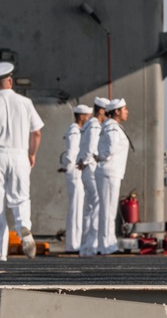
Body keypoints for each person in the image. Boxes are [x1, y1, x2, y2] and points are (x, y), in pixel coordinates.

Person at [0, 61, 44, 262]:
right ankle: (23, 227)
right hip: (20, 154)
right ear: (10, 81)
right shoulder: (25, 103)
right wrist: (31, 153)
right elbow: (36, 132)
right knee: (21, 198)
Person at [95, 97, 130, 255]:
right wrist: (101, 157)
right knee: (108, 210)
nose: (127, 112)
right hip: (110, 172)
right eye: (124, 109)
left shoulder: (110, 126)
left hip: (109, 172)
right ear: (117, 111)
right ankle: (107, 245)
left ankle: (106, 244)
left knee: (107, 210)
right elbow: (110, 150)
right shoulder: (113, 128)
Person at [75, 96, 108, 257]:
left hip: (86, 169)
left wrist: (81, 161)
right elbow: (91, 147)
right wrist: (86, 160)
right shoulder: (95, 126)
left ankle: (85, 247)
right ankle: (92, 245)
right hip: (92, 168)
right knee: (96, 208)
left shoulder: (88, 124)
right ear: (101, 111)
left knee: (89, 209)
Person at [59, 103, 92, 253]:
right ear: (81, 116)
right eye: (87, 116)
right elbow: (72, 152)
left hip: (74, 170)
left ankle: (74, 243)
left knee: (78, 207)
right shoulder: (75, 130)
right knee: (76, 208)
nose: (89, 118)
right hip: (75, 172)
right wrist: (69, 166)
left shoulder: (78, 130)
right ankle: (73, 245)